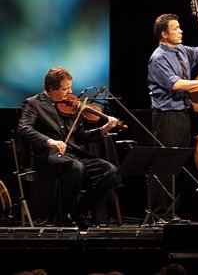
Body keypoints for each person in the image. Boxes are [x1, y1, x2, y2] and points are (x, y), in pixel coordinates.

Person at [17, 67, 122, 227]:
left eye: (70, 87)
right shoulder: (33, 103)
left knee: (109, 170)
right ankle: (68, 214)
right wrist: (49, 141)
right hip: (47, 155)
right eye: (65, 89)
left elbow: (81, 136)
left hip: (72, 155)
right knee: (75, 167)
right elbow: (24, 128)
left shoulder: (69, 106)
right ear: (52, 89)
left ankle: (77, 210)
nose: (70, 92)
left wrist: (104, 129)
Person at [147, 13, 198, 220]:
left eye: (180, 28)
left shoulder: (181, 50)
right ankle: (161, 214)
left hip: (182, 114)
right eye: (176, 29)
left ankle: (173, 213)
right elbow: (175, 84)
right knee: (166, 166)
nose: (181, 31)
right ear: (164, 34)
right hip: (167, 116)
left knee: (178, 166)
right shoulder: (158, 58)